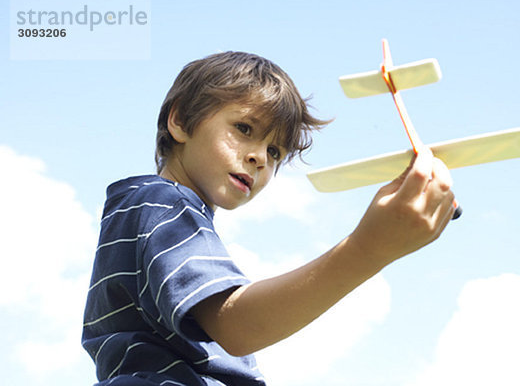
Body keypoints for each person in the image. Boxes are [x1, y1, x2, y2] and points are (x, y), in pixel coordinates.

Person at [82, 51, 457, 386]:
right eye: (244, 129)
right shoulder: (164, 203)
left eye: (275, 151)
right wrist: (369, 249)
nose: (260, 157)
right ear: (179, 120)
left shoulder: (146, 209)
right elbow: (236, 326)